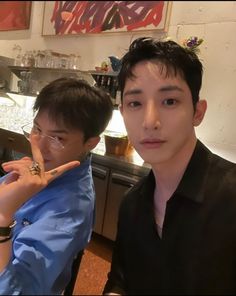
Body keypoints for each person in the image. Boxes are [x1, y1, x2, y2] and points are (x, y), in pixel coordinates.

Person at [103, 37, 236, 295]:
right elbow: (120, 279)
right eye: (135, 103)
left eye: (170, 101)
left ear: (198, 112)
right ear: (122, 112)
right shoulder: (132, 203)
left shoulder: (230, 197)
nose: (150, 121)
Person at [0, 77, 113, 295]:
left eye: (57, 138)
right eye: (37, 129)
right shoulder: (34, 170)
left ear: (91, 143)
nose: (39, 146)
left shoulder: (70, 207)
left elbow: (17, 291)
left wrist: (3, 217)